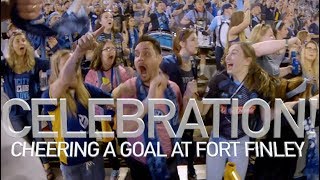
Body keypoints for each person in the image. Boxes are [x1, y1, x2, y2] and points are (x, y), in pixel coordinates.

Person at [199, 42, 279, 180]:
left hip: (242, 140)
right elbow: (203, 111)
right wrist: (190, 95)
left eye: (234, 53)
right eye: (227, 53)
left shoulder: (259, 83)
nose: (227, 57)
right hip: (218, 139)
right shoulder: (219, 79)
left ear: (247, 60)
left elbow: (265, 118)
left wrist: (283, 108)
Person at [42, 27, 111, 180]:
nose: (74, 70)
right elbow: (64, 80)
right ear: (57, 72)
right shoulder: (49, 94)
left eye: (75, 65)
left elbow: (112, 101)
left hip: (94, 157)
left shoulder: (86, 89)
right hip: (71, 164)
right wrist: (79, 51)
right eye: (68, 66)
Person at [112, 35, 183, 180]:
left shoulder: (173, 89)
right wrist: (150, 97)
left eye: (146, 53)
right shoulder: (129, 88)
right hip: (140, 163)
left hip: (170, 161)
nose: (140, 58)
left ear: (159, 58)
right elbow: (123, 128)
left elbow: (178, 117)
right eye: (137, 55)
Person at [0, 32, 53, 179]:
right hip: (15, 111)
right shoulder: (6, 65)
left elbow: (54, 62)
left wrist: (55, 46)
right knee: (24, 142)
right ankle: (31, 172)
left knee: (38, 137)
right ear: (12, 46)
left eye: (24, 40)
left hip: (32, 108)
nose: (22, 43)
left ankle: (46, 167)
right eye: (17, 41)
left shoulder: (35, 62)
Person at [160, 28, 200, 179]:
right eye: (193, 40)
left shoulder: (193, 63)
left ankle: (190, 168)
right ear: (182, 43)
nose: (197, 43)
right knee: (173, 143)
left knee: (189, 140)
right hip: (173, 113)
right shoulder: (168, 63)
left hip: (189, 110)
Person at [207, 3, 234, 71]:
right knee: (219, 65)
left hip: (230, 46)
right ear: (225, 9)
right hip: (219, 46)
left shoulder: (233, 20)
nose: (233, 10)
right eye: (231, 8)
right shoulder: (217, 19)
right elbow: (210, 30)